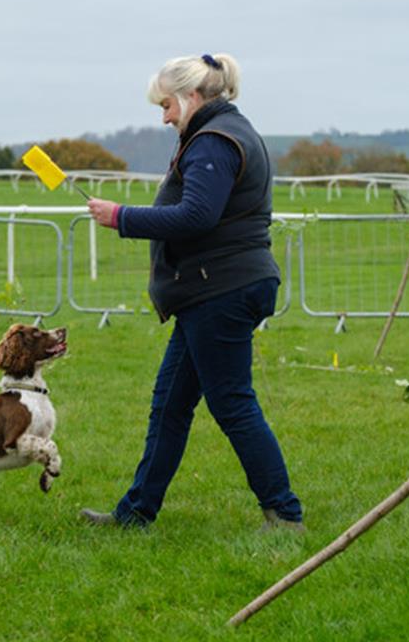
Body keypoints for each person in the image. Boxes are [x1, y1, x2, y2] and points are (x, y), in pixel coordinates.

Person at [81, 53, 303, 531]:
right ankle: (136, 513)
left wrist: (121, 217)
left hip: (220, 290)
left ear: (191, 97)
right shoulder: (226, 132)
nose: (163, 117)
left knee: (232, 403)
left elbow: (195, 216)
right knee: (171, 404)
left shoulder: (214, 142)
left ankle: (284, 514)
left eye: (165, 105)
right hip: (213, 289)